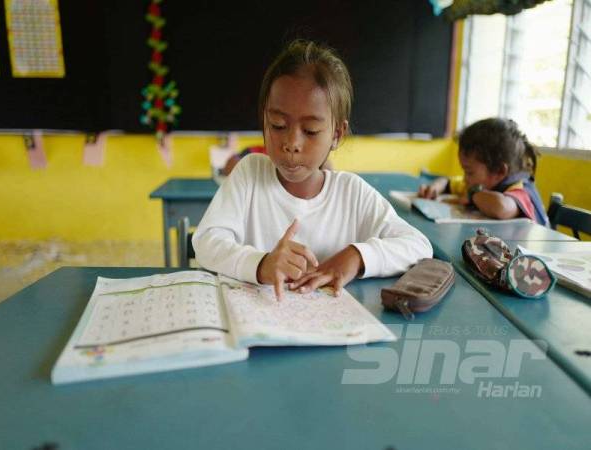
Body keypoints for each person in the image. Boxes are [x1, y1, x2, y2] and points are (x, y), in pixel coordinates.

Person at [193, 39, 432, 300]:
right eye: (277, 125)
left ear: (337, 134)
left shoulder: (352, 194)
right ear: (264, 119)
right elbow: (206, 243)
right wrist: (261, 264)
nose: (292, 144)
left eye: (310, 131)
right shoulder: (249, 174)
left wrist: (356, 256)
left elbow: (418, 246)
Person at [418, 118, 549, 226]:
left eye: (469, 172)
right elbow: (447, 182)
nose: (465, 179)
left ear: (499, 171)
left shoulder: (521, 189)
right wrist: (434, 188)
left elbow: (501, 208)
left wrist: (472, 195)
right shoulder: (481, 183)